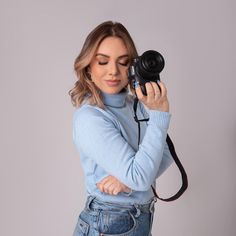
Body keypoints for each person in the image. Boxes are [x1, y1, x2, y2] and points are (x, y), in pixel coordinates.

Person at [69, 21, 173, 236]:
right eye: (103, 62)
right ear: (89, 66)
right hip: (109, 223)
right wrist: (159, 114)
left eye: (123, 62)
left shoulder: (133, 105)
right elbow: (142, 176)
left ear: (133, 67)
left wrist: (128, 182)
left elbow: (165, 153)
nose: (113, 71)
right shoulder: (91, 117)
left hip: (138, 218)